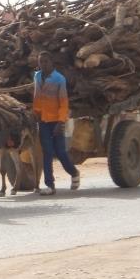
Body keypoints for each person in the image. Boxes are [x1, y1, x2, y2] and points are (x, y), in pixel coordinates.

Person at [33, 51, 80, 196]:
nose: (43, 64)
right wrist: (36, 113)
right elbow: (36, 97)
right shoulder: (37, 76)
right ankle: (50, 185)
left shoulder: (59, 79)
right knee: (47, 152)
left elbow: (64, 103)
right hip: (43, 121)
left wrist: (61, 122)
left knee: (60, 152)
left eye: (46, 61)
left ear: (51, 62)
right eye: (41, 62)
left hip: (56, 121)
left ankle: (74, 172)